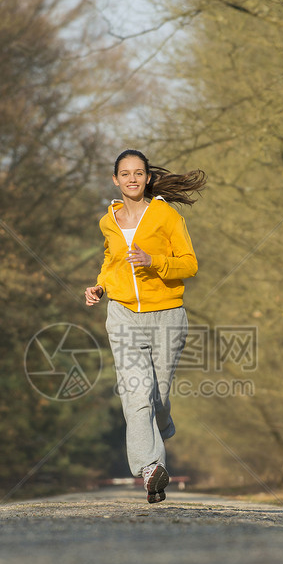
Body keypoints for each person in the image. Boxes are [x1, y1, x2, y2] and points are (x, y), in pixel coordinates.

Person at [85, 150, 206, 503]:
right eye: (125, 174)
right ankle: (150, 467)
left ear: (148, 178)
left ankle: (161, 426)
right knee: (136, 391)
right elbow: (111, 262)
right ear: (115, 180)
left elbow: (190, 264)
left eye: (139, 173)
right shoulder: (108, 221)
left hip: (166, 314)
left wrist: (155, 262)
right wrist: (100, 287)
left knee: (158, 396)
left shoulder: (166, 215)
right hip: (122, 314)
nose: (132, 179)